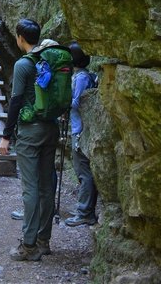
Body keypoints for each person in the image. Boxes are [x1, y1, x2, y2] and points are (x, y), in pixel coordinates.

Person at [0, 19, 59, 261]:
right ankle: (44, 240)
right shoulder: (50, 60)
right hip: (50, 129)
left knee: (31, 188)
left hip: (30, 132)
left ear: (20, 38)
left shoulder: (23, 65)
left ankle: (29, 246)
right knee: (47, 185)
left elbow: (15, 102)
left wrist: (6, 136)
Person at [65, 42, 98, 226]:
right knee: (83, 172)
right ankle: (85, 208)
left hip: (80, 130)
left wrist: (63, 99)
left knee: (83, 172)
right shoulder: (84, 75)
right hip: (81, 128)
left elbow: (77, 102)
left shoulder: (80, 78)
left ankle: (85, 212)